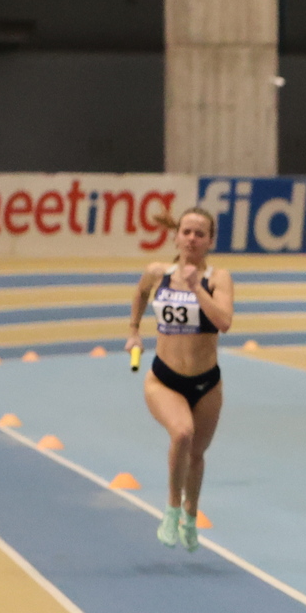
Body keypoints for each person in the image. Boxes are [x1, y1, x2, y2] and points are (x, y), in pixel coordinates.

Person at [127, 207, 235, 549]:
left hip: (207, 384)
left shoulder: (218, 279)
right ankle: (172, 508)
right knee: (182, 433)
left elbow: (224, 322)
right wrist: (133, 330)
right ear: (176, 237)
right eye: (186, 232)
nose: (192, 238)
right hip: (164, 379)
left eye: (200, 234)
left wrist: (196, 288)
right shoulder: (157, 273)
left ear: (210, 241)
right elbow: (140, 293)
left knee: (197, 455)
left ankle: (190, 513)